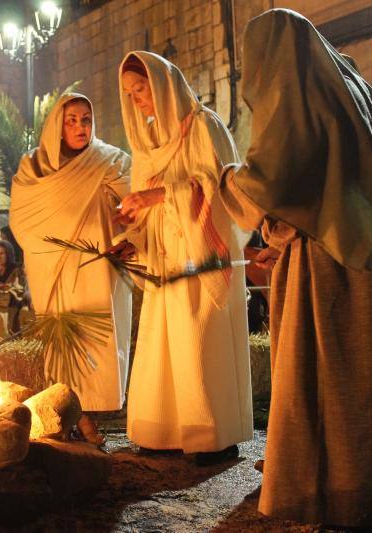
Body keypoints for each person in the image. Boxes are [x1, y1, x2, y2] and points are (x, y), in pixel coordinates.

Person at [218, 9, 372, 529]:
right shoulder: (352, 88)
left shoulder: (295, 97)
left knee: (348, 382)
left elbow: (266, 187)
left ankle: (351, 505)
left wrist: (223, 181)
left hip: (336, 261)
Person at [115, 52, 252, 464]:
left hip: (200, 254)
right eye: (130, 94)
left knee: (199, 340)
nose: (137, 101)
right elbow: (143, 204)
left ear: (162, 86)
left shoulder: (204, 125)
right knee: (163, 344)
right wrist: (131, 235)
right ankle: (162, 430)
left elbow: (221, 188)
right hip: (164, 256)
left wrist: (157, 196)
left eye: (142, 90)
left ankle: (211, 434)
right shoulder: (149, 142)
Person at [11, 93, 132, 445]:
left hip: (95, 267)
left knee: (94, 343)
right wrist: (56, 242)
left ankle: (87, 416)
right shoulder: (33, 167)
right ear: (57, 126)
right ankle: (67, 415)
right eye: (73, 120)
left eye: (86, 120)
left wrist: (128, 234)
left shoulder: (110, 160)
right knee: (63, 344)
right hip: (54, 266)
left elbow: (134, 206)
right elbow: (22, 220)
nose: (81, 126)